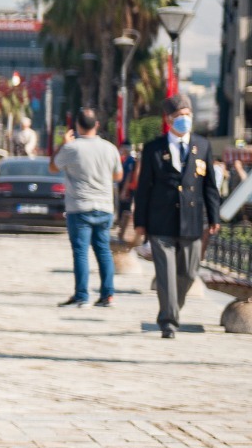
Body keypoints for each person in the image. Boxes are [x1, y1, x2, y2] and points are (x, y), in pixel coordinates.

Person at [133, 94, 221, 338]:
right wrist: (140, 222)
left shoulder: (202, 146)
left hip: (192, 221)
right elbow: (143, 189)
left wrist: (214, 217)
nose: (184, 119)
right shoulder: (154, 148)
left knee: (188, 272)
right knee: (166, 273)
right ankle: (168, 321)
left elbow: (210, 186)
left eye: (187, 115)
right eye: (179, 115)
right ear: (168, 119)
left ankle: (173, 308)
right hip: (160, 221)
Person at [49, 107, 123, 309]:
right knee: (104, 251)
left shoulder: (72, 148)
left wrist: (62, 144)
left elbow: (53, 166)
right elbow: (118, 176)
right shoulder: (110, 148)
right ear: (97, 125)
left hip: (80, 206)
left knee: (81, 252)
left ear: (78, 126)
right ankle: (108, 294)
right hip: (104, 207)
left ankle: (82, 294)